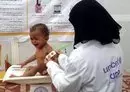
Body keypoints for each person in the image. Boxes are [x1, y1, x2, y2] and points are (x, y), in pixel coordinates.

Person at [43, 0, 123, 92]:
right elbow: (83, 70)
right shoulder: (115, 46)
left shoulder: (81, 56)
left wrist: (51, 65)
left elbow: (65, 87)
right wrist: (61, 58)